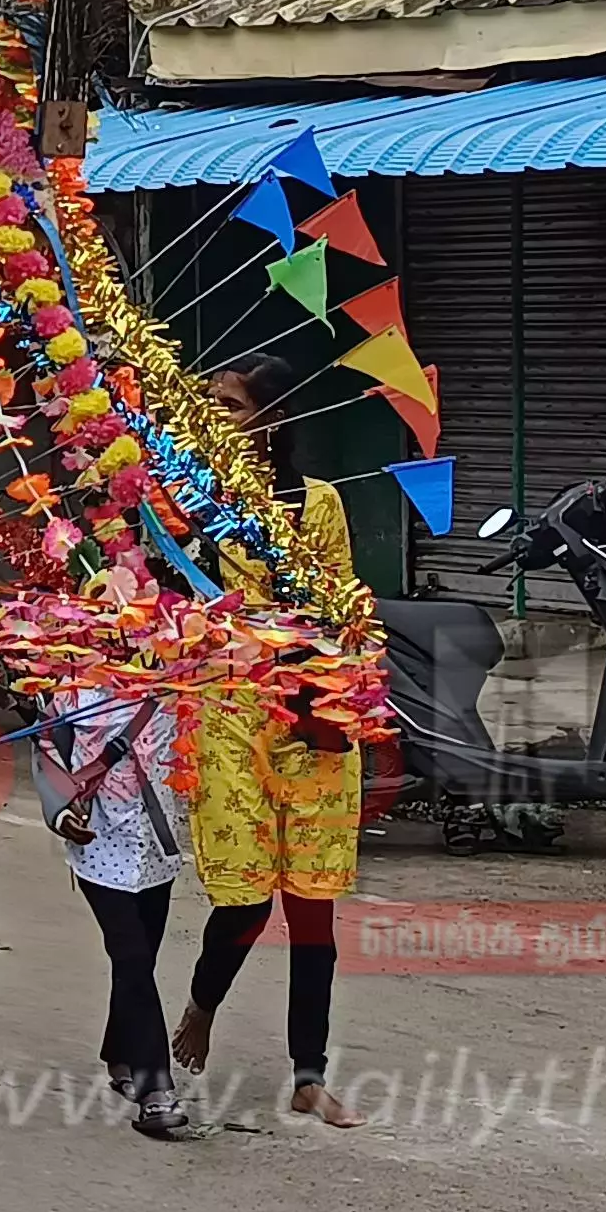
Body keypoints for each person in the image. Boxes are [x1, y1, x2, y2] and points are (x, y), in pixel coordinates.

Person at [172, 359, 368, 1129]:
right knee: (247, 895)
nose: (216, 416)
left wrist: (320, 674)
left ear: (270, 419)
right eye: (209, 405)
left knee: (312, 900)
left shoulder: (318, 504)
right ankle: (200, 1005)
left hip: (307, 711)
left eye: (230, 405)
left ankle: (310, 1074)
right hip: (226, 713)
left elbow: (342, 606)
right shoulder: (189, 507)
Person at [39, 691, 199, 1138]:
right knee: (130, 956)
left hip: (157, 849)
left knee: (139, 959)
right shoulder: (74, 684)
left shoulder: (178, 681)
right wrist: (61, 813)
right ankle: (156, 1090)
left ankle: (119, 1052)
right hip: (99, 849)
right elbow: (48, 752)